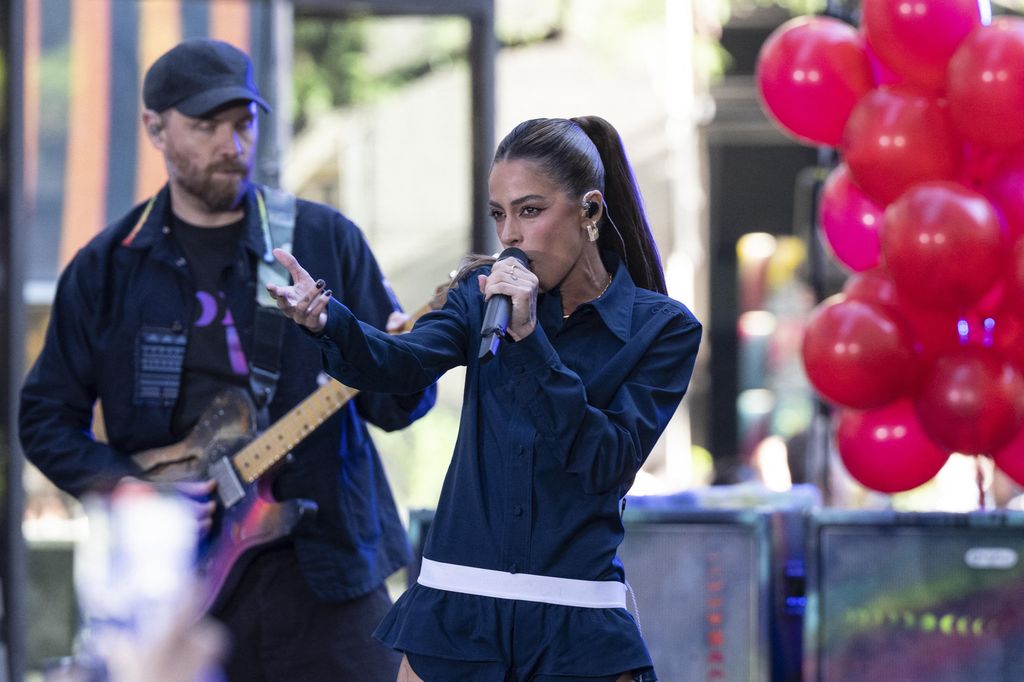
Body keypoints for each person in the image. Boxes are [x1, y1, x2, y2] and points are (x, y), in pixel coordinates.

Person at [19, 38, 435, 681]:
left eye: (243, 124)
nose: (231, 146)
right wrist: (130, 491)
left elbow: (394, 406)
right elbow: (45, 419)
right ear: (154, 128)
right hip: (179, 588)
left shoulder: (323, 239)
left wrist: (406, 353)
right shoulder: (107, 267)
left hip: (328, 573)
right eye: (207, 126)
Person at [268, 116, 703, 682]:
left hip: (576, 622)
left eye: (530, 210)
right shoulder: (479, 299)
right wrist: (329, 322)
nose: (510, 236)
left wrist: (528, 340)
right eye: (499, 215)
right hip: (456, 609)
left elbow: (606, 459)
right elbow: (403, 364)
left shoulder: (663, 330)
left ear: (590, 211)